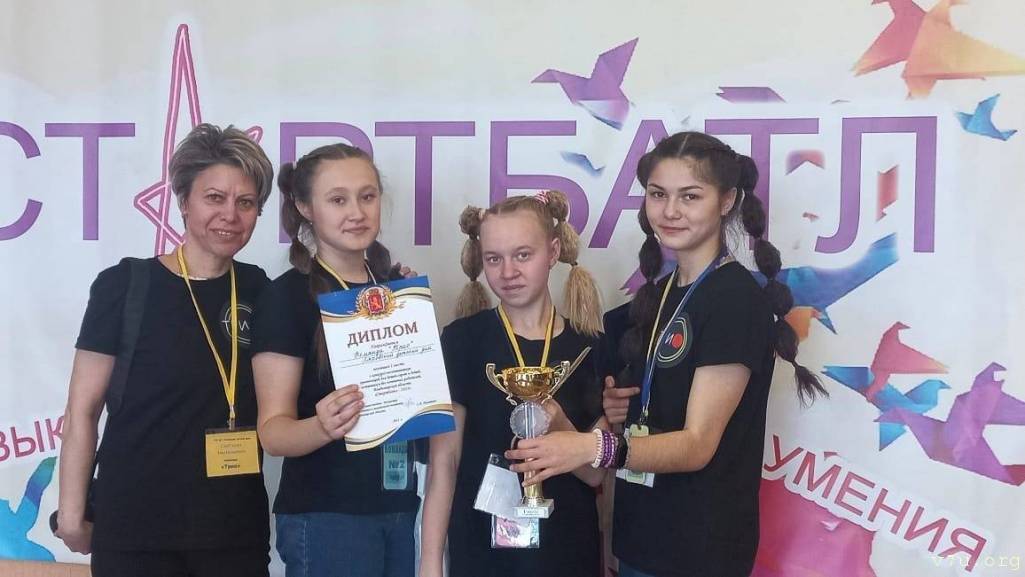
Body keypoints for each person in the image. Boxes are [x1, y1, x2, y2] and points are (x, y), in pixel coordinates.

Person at [507, 132, 827, 577]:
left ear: (727, 201)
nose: (670, 211)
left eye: (690, 196)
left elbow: (696, 445)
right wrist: (568, 423)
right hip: (640, 541)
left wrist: (590, 445)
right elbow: (629, 437)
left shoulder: (734, 300)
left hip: (700, 550)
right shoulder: (655, 299)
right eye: (658, 194)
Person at [55, 123, 275, 577]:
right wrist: (72, 512)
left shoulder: (262, 291)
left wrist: (388, 297)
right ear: (183, 201)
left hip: (232, 531)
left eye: (246, 202)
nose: (230, 215)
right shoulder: (125, 285)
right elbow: (82, 409)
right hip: (135, 530)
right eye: (214, 197)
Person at [420, 191, 607, 577]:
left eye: (523, 255)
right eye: (494, 258)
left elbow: (595, 473)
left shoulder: (590, 346)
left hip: (567, 549)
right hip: (481, 550)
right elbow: (444, 461)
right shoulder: (461, 341)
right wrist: (430, 561)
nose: (508, 272)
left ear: (553, 252)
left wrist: (561, 426)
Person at [250, 143, 417, 577]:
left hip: (399, 505)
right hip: (326, 516)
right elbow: (273, 433)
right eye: (338, 200)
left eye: (367, 196)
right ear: (306, 208)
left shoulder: (398, 293)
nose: (357, 212)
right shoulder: (286, 297)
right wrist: (322, 426)